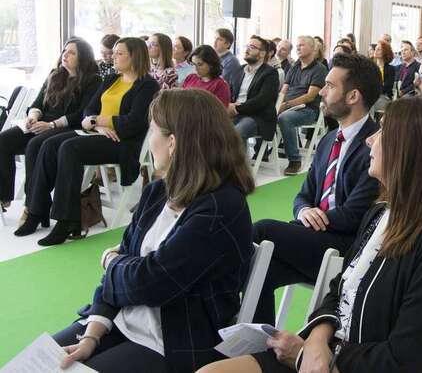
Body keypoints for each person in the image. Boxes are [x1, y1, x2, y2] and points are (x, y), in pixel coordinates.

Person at [201, 96, 422, 373]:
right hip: (327, 355)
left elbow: (406, 357)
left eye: (383, 132)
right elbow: (339, 288)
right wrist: (316, 340)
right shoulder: (381, 213)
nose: (370, 140)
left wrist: (306, 355)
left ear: (409, 149)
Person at [50, 89, 254, 373]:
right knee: (36, 362)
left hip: (171, 340)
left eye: (153, 130)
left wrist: (111, 261)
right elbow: (127, 271)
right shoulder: (157, 192)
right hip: (120, 321)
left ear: (173, 142)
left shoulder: (222, 207)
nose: (149, 140)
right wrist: (91, 336)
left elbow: (152, 282)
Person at [249, 54, 381, 325]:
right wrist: (304, 211)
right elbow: (303, 195)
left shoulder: (377, 145)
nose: (321, 91)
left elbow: (355, 215)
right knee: (259, 269)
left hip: (345, 247)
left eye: (330, 86)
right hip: (315, 238)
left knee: (262, 230)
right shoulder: (329, 139)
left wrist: (312, 219)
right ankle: (258, 342)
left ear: (353, 96)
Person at [18, 38, 160, 244]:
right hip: (98, 132)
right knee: (49, 145)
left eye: (119, 53)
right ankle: (35, 211)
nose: (113, 57)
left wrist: (99, 120)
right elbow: (89, 110)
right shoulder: (111, 79)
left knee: (69, 148)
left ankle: (67, 220)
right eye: (114, 52)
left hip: (122, 141)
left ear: (134, 57)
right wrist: (97, 124)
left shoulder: (147, 85)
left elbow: (134, 122)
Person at [0, 38, 100, 211]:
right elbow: (38, 103)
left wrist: (51, 125)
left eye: (72, 53)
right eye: (65, 51)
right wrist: (33, 117)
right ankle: (4, 196)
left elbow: (82, 114)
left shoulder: (93, 81)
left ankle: (32, 204)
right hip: (42, 123)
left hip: (66, 127)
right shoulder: (55, 74)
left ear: (83, 57)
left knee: (34, 145)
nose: (65, 55)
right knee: (3, 140)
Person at [277, 36, 328, 175]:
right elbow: (284, 90)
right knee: (263, 113)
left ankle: (295, 160)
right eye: (297, 45)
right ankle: (261, 153)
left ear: (313, 48)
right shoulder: (294, 67)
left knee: (285, 118)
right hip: (288, 107)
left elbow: (310, 96)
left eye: (302, 45)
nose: (298, 48)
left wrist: (286, 105)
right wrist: (277, 105)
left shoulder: (319, 69)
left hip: (308, 110)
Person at [229, 37, 280, 144]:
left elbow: (262, 100)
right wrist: (229, 105)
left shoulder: (270, 73)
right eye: (247, 46)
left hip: (257, 117)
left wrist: (237, 108)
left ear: (262, 53)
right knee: (212, 128)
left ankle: (238, 156)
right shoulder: (239, 70)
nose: (247, 50)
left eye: (252, 47)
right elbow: (230, 92)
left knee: (237, 133)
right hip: (235, 113)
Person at [371, 40, 395, 113]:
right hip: (370, 96)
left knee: (372, 103)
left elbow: (387, 87)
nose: (375, 51)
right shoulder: (370, 67)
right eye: (375, 49)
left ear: (385, 52)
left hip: (383, 96)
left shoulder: (390, 69)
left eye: (379, 49)